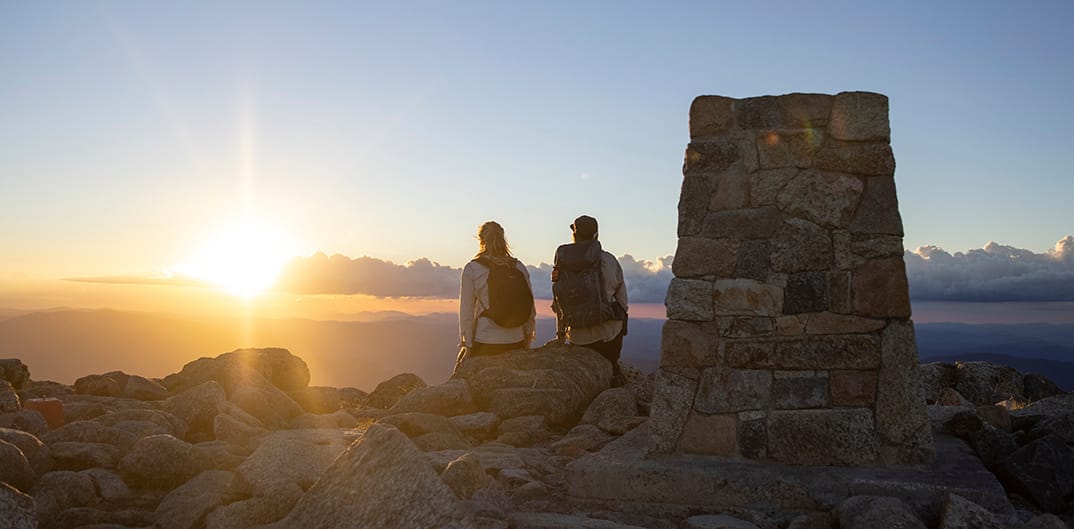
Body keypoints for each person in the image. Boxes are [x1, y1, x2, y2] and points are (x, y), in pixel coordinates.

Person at [549, 215, 628, 385]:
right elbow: (623, 301)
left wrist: (561, 335)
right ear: (596, 236)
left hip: (577, 336)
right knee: (620, 313)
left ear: (574, 235)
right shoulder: (608, 260)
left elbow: (558, 300)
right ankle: (613, 369)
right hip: (606, 336)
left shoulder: (562, 260)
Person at [457, 221, 536, 369]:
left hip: (486, 341)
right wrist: (527, 336)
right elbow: (530, 305)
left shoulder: (472, 269)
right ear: (503, 239)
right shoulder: (518, 267)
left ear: (481, 241)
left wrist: (467, 345)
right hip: (516, 339)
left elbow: (466, 311)